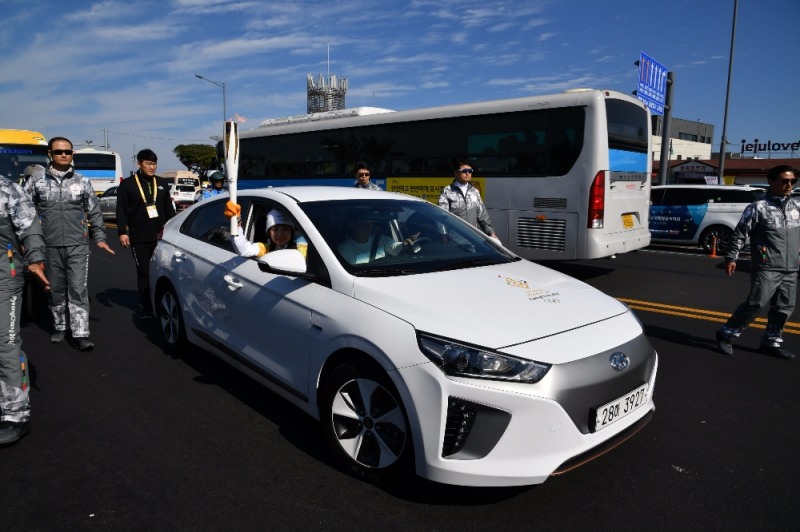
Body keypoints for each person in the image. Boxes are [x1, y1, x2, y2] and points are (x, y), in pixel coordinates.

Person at [24, 137, 115, 351]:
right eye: (58, 152)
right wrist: (27, 241)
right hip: (49, 244)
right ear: (50, 154)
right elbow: (24, 212)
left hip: (77, 245)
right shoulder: (36, 180)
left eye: (68, 151)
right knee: (55, 289)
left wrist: (100, 238)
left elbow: (94, 210)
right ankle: (60, 326)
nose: (64, 155)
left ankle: (81, 333)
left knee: (77, 288)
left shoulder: (82, 181)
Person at [715, 164, 800, 360]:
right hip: (766, 265)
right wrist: (731, 258)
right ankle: (727, 333)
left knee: (784, 307)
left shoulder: (796, 207)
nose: (789, 185)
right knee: (757, 303)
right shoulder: (759, 208)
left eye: (792, 181)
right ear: (772, 182)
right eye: (784, 181)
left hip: (790, 268)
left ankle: (771, 341)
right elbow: (739, 234)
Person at [0, 175, 49, 445]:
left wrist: (35, 258)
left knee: (5, 343)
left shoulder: (7, 189)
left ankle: (16, 415)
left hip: (3, 275)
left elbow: (29, 226)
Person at [116, 149, 176, 319]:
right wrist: (122, 232)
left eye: (154, 163)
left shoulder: (162, 183)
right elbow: (121, 210)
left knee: (164, 271)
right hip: (139, 237)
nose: (152, 167)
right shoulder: (127, 184)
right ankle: (146, 305)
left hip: (162, 237)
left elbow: (169, 210)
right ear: (139, 164)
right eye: (148, 163)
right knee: (144, 272)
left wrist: (174, 232)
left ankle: (161, 302)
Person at [438, 159, 499, 240]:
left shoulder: (475, 191)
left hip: (473, 239)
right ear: (456, 173)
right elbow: (441, 215)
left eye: (470, 171)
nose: (467, 173)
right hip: (454, 240)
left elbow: (482, 215)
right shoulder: (447, 191)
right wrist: (443, 234)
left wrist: (490, 232)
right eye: (464, 171)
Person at [223, 202, 307, 258]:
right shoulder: (265, 248)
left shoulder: (302, 250)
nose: (280, 234)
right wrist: (236, 223)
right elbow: (244, 250)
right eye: (275, 229)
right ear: (269, 232)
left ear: (291, 232)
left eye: (285, 229)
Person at [337, 211, 417, 265]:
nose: (369, 227)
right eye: (365, 224)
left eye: (371, 223)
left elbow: (395, 248)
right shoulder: (344, 250)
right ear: (352, 226)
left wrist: (404, 244)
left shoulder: (381, 240)